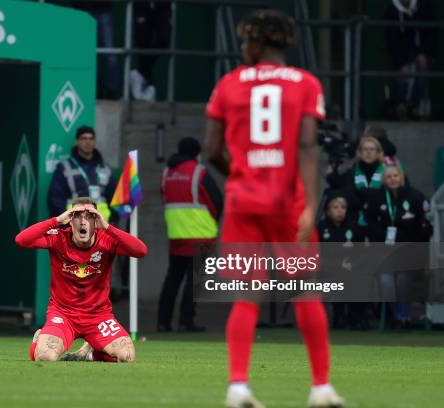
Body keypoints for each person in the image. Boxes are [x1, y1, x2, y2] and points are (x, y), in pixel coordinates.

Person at [205, 10, 345, 408]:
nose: (242, 49)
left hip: (243, 202)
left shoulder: (229, 84)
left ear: (259, 42)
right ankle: (320, 388)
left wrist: (240, 174)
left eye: (245, 42)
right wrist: (312, 203)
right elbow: (306, 146)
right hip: (288, 201)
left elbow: (211, 150)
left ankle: (238, 387)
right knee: (306, 294)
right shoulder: (305, 82)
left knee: (247, 296)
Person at [15, 197, 148, 362]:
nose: (83, 221)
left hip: (98, 317)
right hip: (63, 315)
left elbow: (141, 251)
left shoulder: (106, 239)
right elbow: (21, 240)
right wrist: (56, 220)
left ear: (96, 220)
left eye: (90, 215)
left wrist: (106, 226)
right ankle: (39, 340)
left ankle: (92, 352)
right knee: (45, 357)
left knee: (127, 356)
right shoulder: (58, 238)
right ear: (70, 220)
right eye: (77, 215)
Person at [158, 137, 222, 333]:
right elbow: (217, 200)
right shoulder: (199, 171)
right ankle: (186, 322)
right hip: (200, 235)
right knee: (193, 282)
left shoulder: (167, 172)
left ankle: (163, 322)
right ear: (197, 152)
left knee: (173, 279)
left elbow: (165, 198)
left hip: (177, 234)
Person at [364, 165, 432, 329]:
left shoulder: (414, 196)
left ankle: (403, 317)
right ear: (384, 180)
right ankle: (397, 316)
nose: (392, 179)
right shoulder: (377, 198)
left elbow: (425, 227)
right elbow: (369, 224)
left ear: (401, 177)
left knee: (402, 279)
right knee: (386, 280)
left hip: (408, 250)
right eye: (388, 176)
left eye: (395, 176)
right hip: (384, 251)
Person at [317, 192, 368, 330]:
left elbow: (363, 252)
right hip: (327, 269)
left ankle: (355, 318)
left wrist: (352, 263)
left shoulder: (354, 228)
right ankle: (338, 317)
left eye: (343, 207)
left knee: (357, 278)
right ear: (327, 211)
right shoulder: (320, 229)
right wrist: (337, 263)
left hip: (352, 267)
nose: (340, 210)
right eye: (335, 207)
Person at [48, 126, 117, 223]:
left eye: (91, 139)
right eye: (84, 138)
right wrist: (65, 223)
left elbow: (114, 197)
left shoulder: (105, 168)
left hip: (101, 226)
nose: (88, 142)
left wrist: (113, 221)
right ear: (77, 141)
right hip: (74, 226)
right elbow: (55, 198)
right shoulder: (64, 168)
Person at [384, 0, 436, 120]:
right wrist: (401, 62)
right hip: (401, 55)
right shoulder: (392, 10)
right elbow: (392, 40)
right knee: (403, 79)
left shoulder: (424, 7)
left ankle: (418, 110)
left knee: (422, 78)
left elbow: (430, 34)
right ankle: (402, 109)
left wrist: (424, 54)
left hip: (422, 53)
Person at [326, 136, 386, 226]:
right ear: (360, 153)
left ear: (378, 153)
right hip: (355, 225)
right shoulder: (351, 173)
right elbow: (336, 182)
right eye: (365, 149)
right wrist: (330, 173)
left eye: (372, 149)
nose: (368, 152)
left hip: (380, 224)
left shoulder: (387, 174)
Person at [72, 1, 120, 99]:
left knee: (110, 54)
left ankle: (112, 91)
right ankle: (93, 89)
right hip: (82, 11)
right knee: (85, 54)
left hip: (103, 9)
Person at [130, 1, 172, 101]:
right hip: (142, 5)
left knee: (164, 39)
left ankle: (139, 74)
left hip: (162, 5)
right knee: (143, 42)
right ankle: (149, 85)